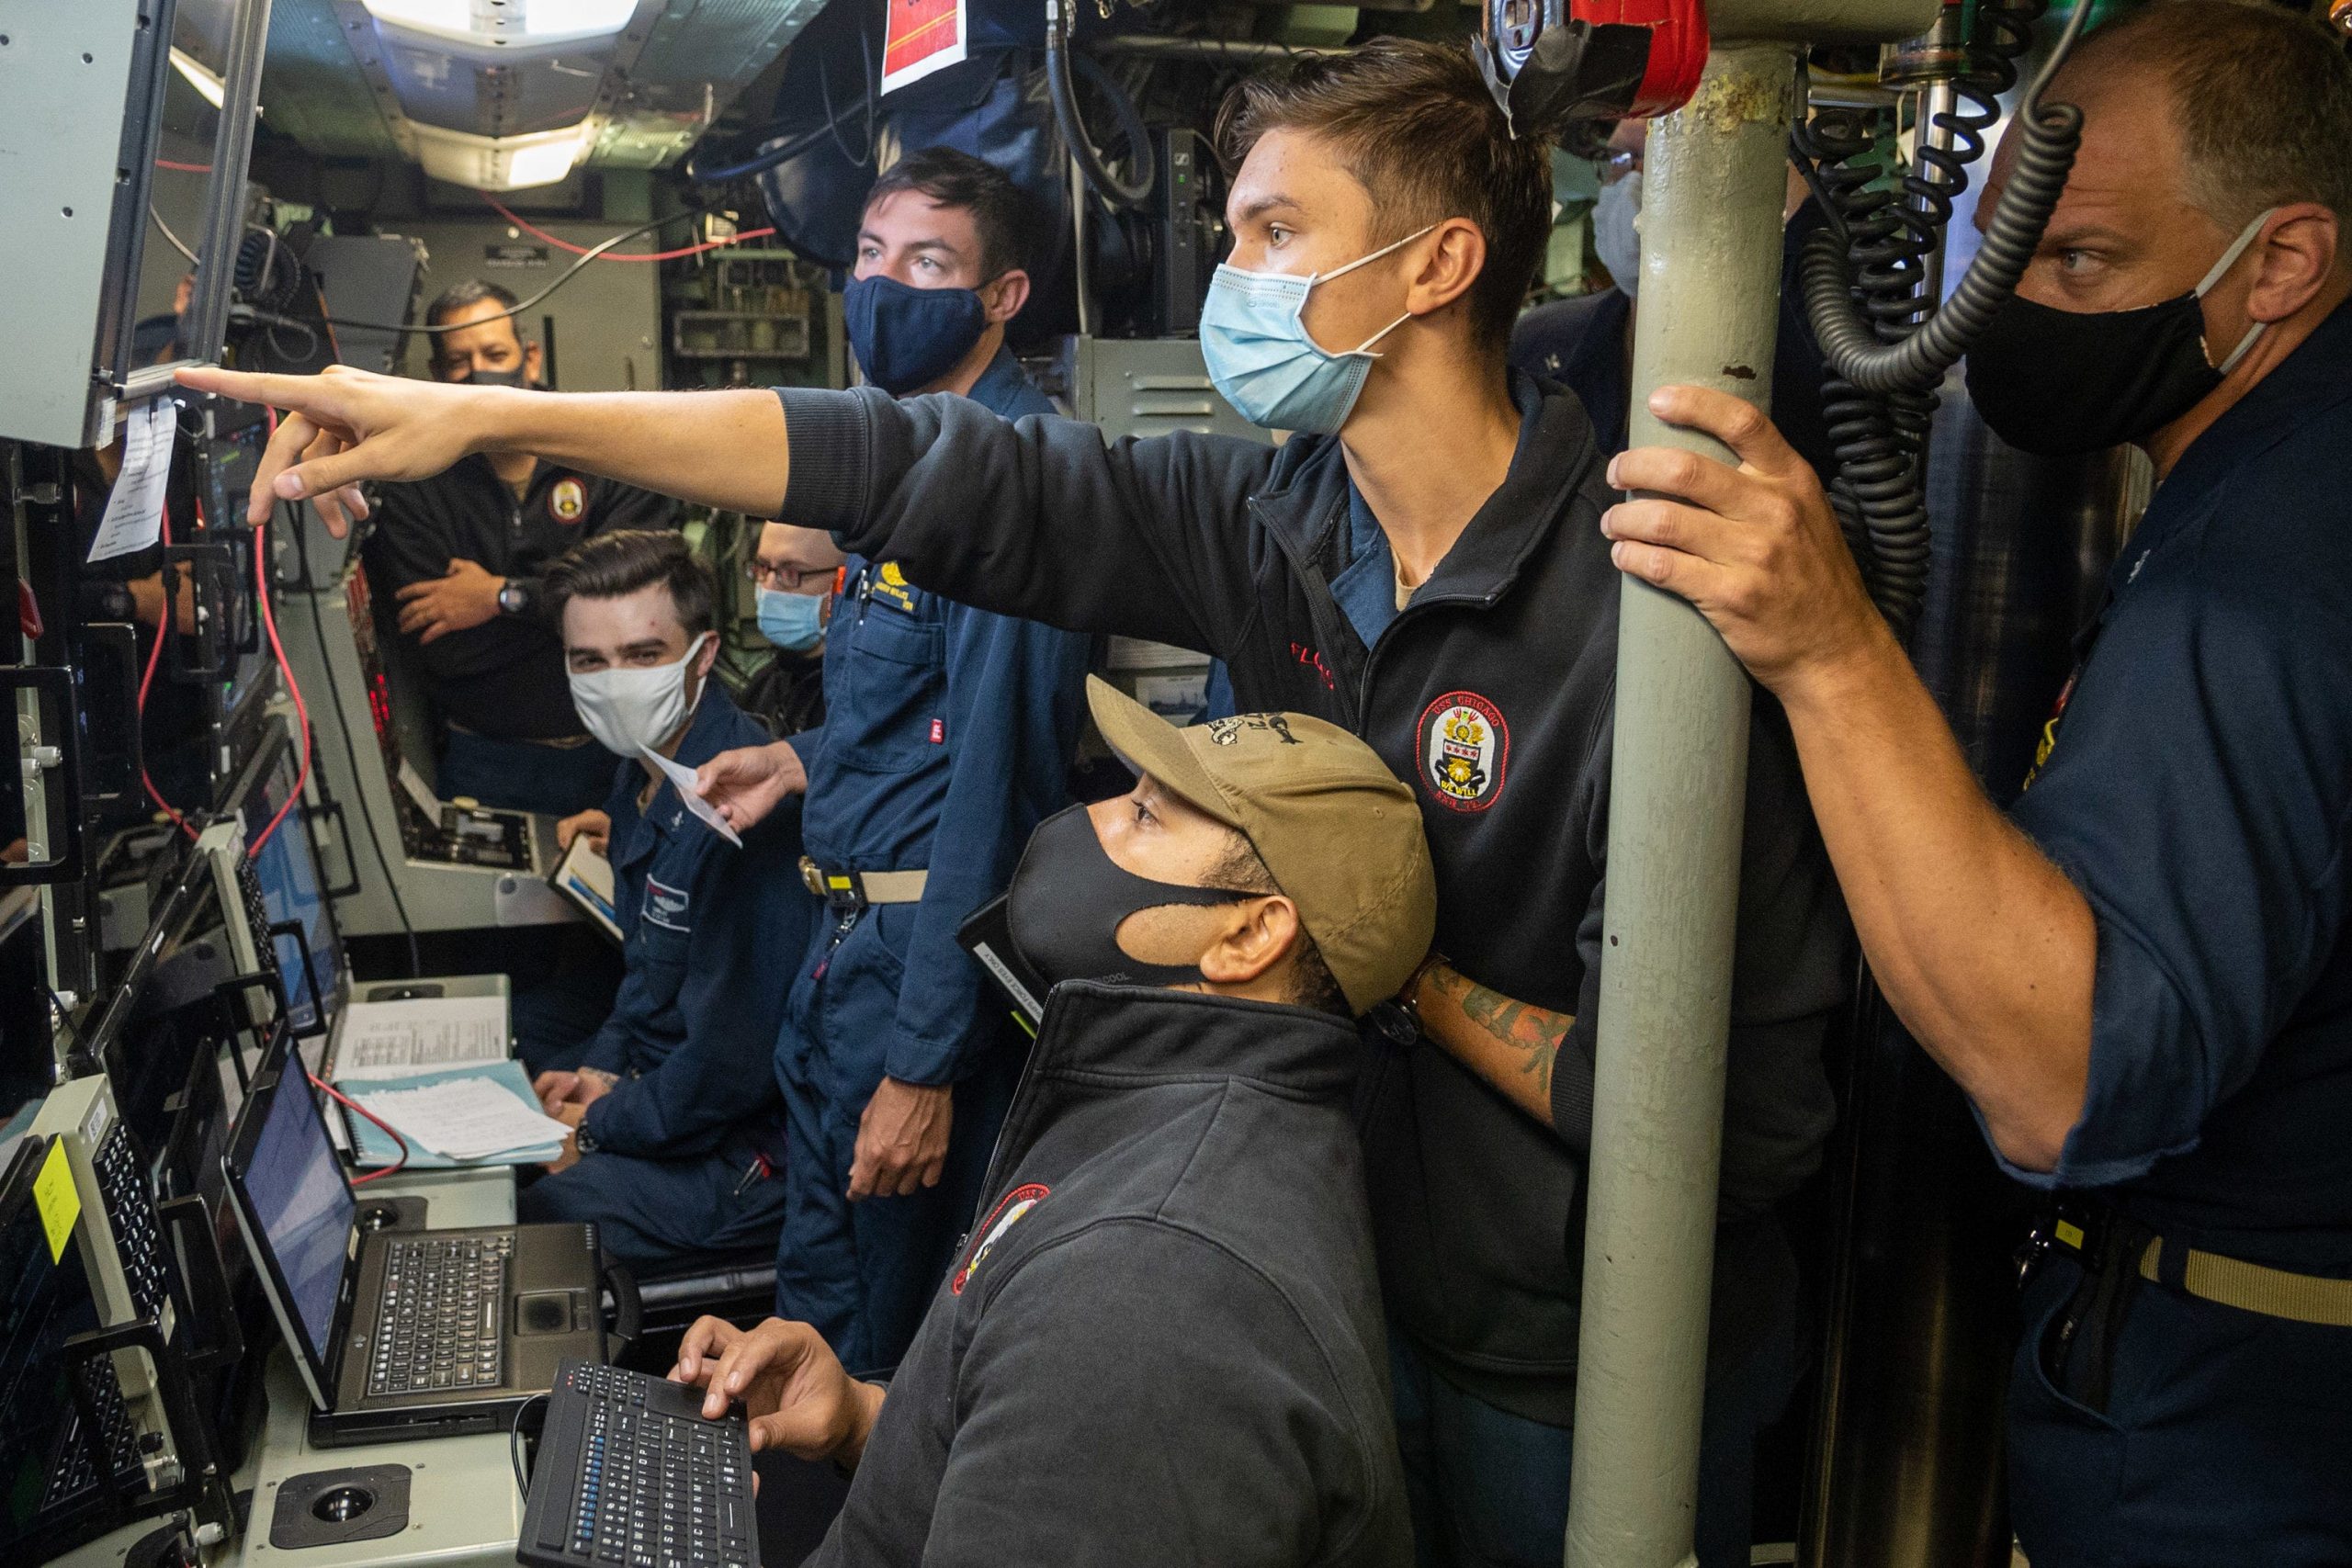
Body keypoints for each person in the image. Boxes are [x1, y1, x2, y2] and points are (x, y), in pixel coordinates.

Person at [182, 43, 1844, 1567]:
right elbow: (916, 470)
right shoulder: (1273, 521)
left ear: (1435, 264)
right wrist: (491, 411)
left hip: (1562, 1360)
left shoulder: (1644, 606)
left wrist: (1391, 968)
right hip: (1341, 1269)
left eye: (1275, 234)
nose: (1233, 284)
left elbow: (1733, 1113)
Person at [1589, 6, 2352, 1562]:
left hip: (2238, 1437)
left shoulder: (2260, 585)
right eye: (2005, 258)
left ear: (2279, 267)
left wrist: (1829, 651)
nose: (2013, 312)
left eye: (2076, 265)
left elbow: (2059, 1066)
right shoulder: (2279, 463)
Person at [670, 677, 1432, 1568]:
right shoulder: (1152, 1113)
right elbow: (1059, 1482)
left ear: (1249, 938)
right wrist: (864, 1420)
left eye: (1148, 818)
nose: (1091, 820)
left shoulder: (1156, 1283)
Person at [746, 146, 1093, 1374]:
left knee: (880, 1347)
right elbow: (917, 718)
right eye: (871, 258)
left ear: (1002, 295)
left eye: (929, 263)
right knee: (814, 1299)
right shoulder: (901, 463)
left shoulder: (1010, 484)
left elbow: (997, 791)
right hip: (840, 949)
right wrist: (802, 763)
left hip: (916, 978)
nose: (887, 288)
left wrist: (922, 1063)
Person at [513, 530, 800, 1270]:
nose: (616, 682)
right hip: (675, 1089)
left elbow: (730, 1068)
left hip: (746, 1151)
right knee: (524, 1089)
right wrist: (602, 1070)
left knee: (546, 1216)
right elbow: (646, 976)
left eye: (643, 656)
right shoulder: (643, 778)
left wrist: (600, 1126)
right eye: (590, 662)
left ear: (703, 656)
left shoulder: (738, 813)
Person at [362, 280, 680, 816]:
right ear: (439, 377)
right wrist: (575, 616)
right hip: (487, 759)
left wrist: (502, 597)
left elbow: (642, 608)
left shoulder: (604, 449)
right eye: (459, 361)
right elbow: (445, 649)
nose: (479, 371)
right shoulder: (414, 479)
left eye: (495, 353)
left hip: (623, 752)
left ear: (528, 358)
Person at [1510, 119, 1838, 478]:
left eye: (1669, 155)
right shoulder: (1539, 340)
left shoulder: (1823, 346)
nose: (1639, 179)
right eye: (1626, 158)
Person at [735, 521, 836, 739]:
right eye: (762, 567)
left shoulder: (860, 701)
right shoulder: (760, 690)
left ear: (844, 582)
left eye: (791, 572)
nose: (768, 586)